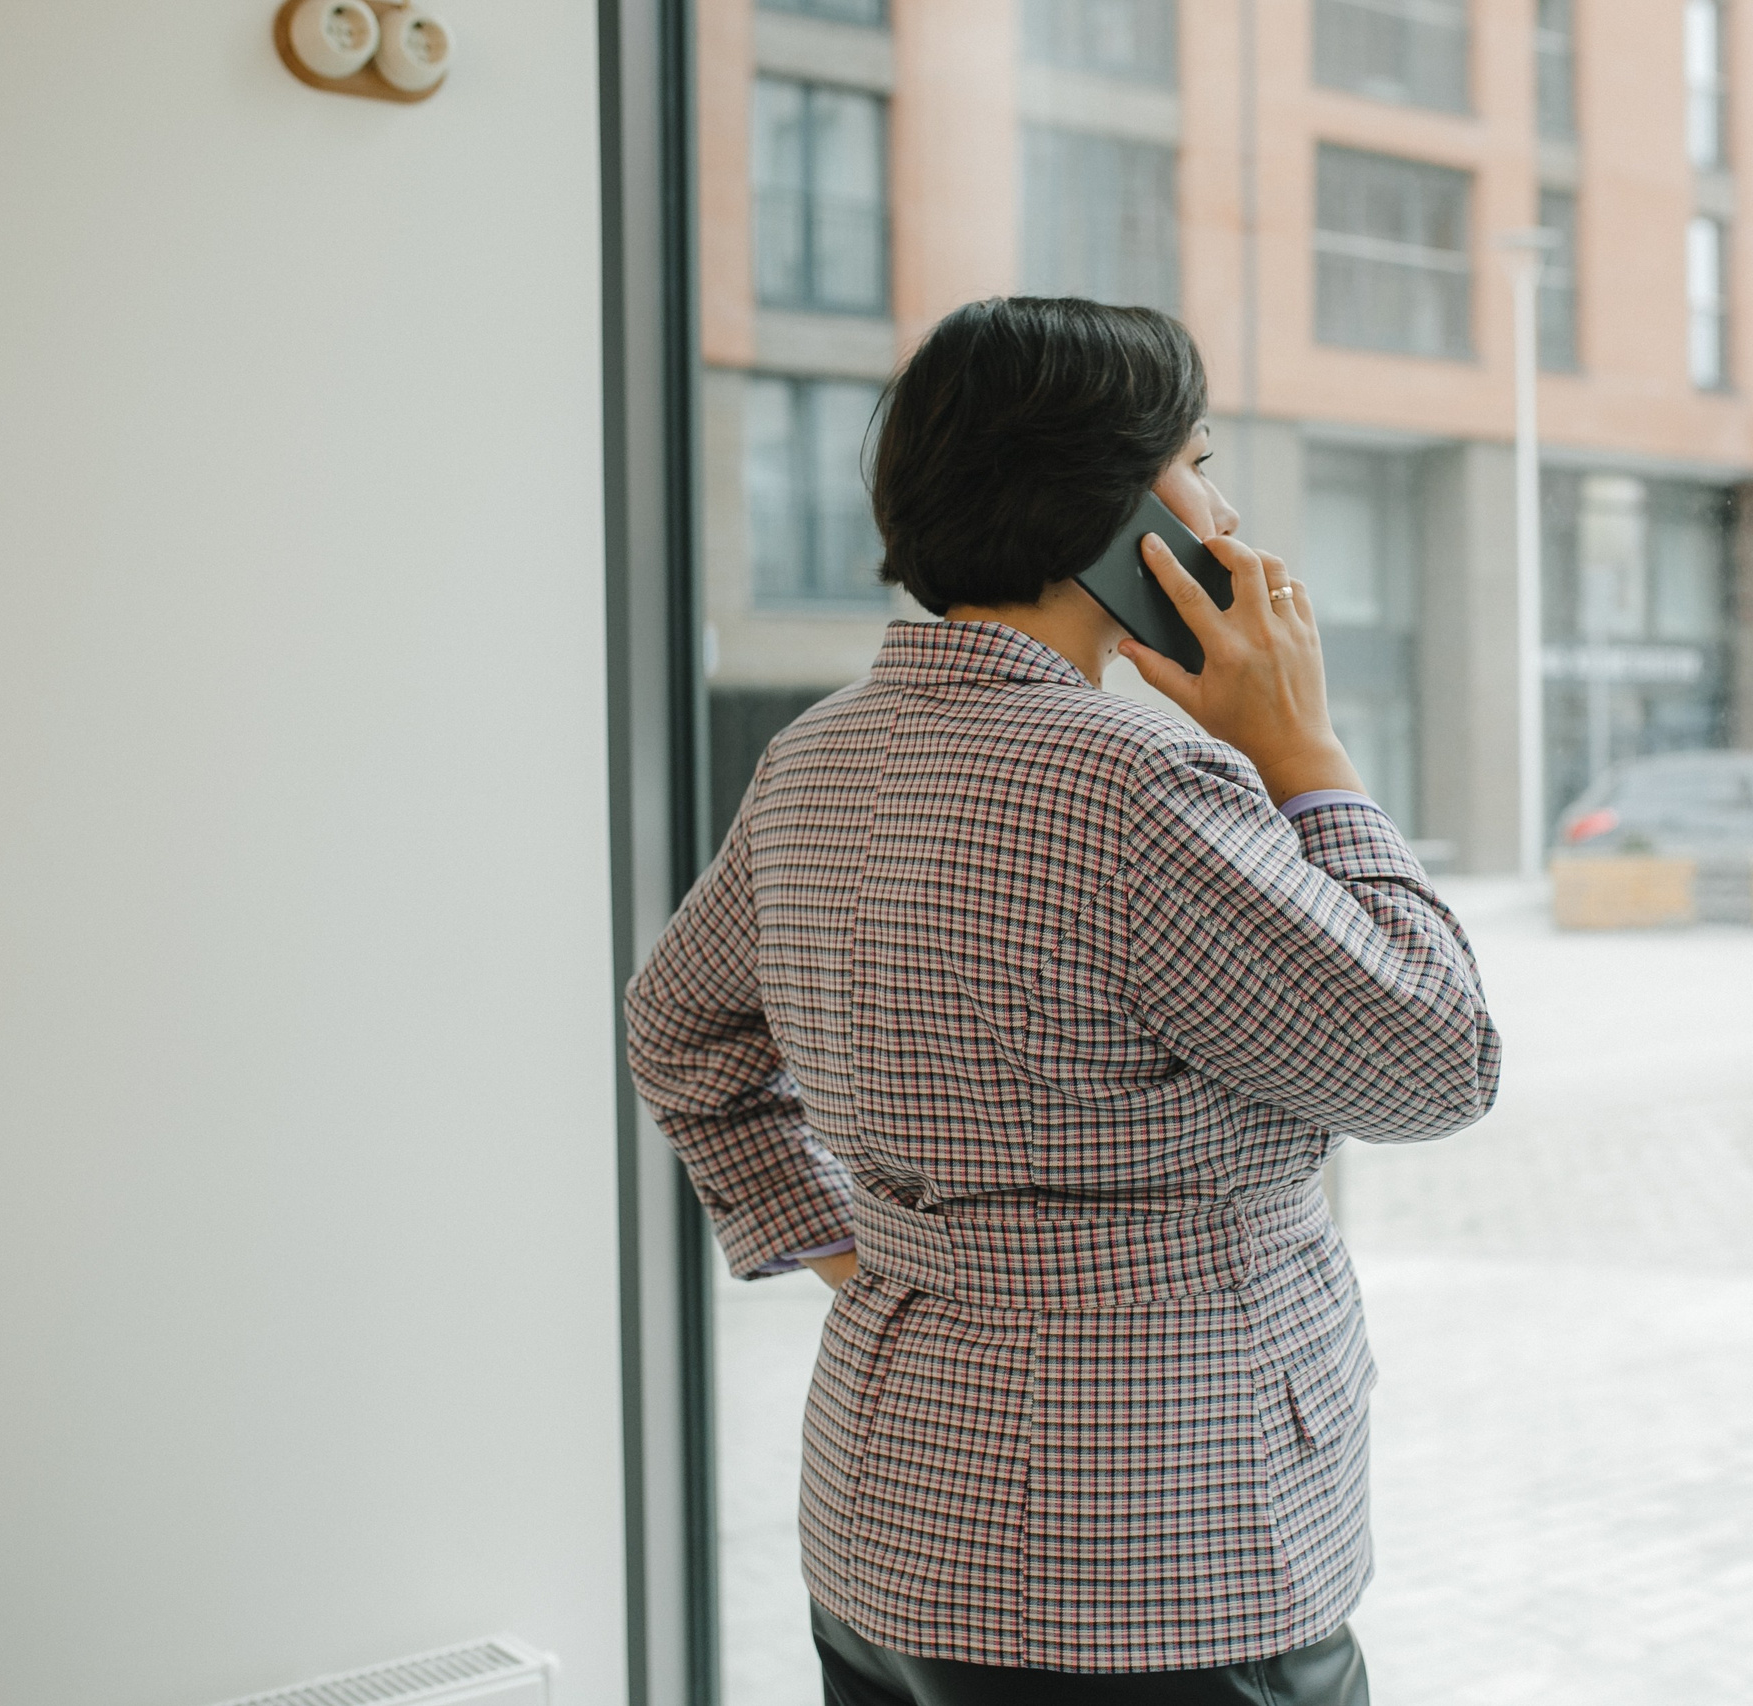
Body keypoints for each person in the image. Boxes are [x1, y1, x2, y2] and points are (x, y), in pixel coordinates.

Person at [626, 297, 1501, 1706]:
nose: (1230, 516)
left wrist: (855, 1253)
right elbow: (1437, 1058)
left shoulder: (816, 756)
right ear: (1119, 516)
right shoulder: (1143, 784)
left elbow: (676, 1030)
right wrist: (1309, 758)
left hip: (888, 1527)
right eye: (1204, 464)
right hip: (1160, 1562)